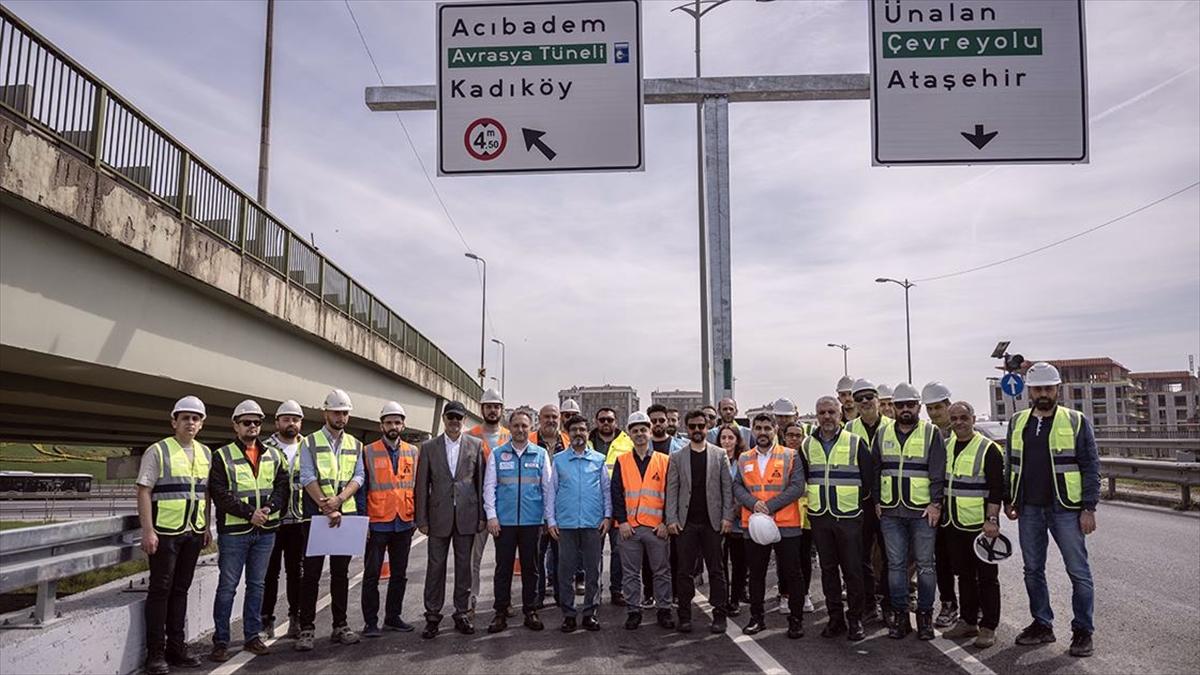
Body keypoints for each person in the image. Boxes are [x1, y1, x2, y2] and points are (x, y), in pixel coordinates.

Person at [1005, 362, 1100, 658]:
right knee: (1032, 570)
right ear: (1029, 391)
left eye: (1048, 388)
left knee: (1078, 572)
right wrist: (1011, 499)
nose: (1043, 393)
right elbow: (1011, 463)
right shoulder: (1018, 421)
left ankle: (1083, 631)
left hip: (1066, 508)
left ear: (1057, 389)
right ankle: (1042, 624)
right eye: (1037, 389)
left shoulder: (1075, 420)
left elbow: (1090, 465)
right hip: (1029, 508)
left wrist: (1088, 507)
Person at [137, 396, 213, 675]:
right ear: (174, 422)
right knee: (160, 590)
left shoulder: (206, 453)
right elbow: (144, 490)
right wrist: (148, 530)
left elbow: (204, 492)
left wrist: (206, 526)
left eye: (196, 418)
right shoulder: (158, 451)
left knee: (181, 590)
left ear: (201, 424)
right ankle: (155, 654)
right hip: (165, 533)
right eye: (185, 418)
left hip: (193, 531)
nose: (191, 423)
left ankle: (176, 648)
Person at [208, 400, 288, 661]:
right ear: (236, 426)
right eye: (246, 422)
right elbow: (219, 493)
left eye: (256, 422)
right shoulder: (222, 456)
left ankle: (252, 636)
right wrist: (248, 513)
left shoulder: (274, 455)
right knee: (227, 587)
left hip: (265, 531)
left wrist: (268, 508)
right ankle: (221, 641)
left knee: (257, 585)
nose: (252, 426)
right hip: (234, 532)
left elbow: (282, 487)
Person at [296, 389, 364, 650]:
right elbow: (307, 476)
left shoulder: (355, 444)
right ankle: (307, 628)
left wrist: (339, 500)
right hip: (316, 517)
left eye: (345, 412)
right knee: (311, 574)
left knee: (340, 574)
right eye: (336, 412)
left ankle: (341, 625)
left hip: (344, 515)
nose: (341, 417)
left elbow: (359, 477)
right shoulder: (310, 443)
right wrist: (327, 505)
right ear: (326, 413)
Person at [804, 396, 873, 642]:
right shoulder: (806, 445)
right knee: (828, 570)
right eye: (822, 412)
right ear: (816, 415)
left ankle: (855, 619)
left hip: (849, 518)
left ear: (840, 414)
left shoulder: (855, 442)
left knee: (853, 571)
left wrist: (858, 509)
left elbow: (868, 480)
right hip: (820, 518)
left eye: (831, 412)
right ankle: (835, 619)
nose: (827, 417)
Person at [416, 401, 486, 639]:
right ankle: (433, 615)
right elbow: (421, 485)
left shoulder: (476, 446)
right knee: (435, 567)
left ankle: (461, 613)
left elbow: (481, 483)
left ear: (464, 420)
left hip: (467, 516)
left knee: (464, 567)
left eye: (459, 418)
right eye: (451, 418)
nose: (455, 422)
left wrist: (482, 517)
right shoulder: (428, 447)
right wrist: (422, 519)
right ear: (444, 419)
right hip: (438, 517)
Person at [733, 414, 806, 639]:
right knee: (756, 573)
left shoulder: (790, 455)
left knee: (792, 574)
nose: (762, 432)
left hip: (786, 524)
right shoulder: (744, 458)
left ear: (776, 430)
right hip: (755, 525)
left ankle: (796, 620)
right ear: (753, 430)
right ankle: (757, 618)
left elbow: (797, 487)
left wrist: (770, 506)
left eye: (767, 428)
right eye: (758, 428)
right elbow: (737, 486)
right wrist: (754, 504)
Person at [941, 401, 1004, 649]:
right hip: (954, 523)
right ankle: (968, 621)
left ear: (973, 419)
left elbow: (996, 488)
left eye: (963, 417)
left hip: (980, 526)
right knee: (964, 576)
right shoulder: (946, 446)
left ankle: (988, 626)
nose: (958, 422)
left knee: (987, 578)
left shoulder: (988, 449)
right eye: (954, 418)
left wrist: (992, 520)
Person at [484, 410, 553, 633]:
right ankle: (500, 612)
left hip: (532, 522)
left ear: (530, 427)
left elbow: (548, 490)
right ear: (509, 427)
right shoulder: (497, 454)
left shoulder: (540, 454)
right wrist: (491, 516)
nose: (520, 430)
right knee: (503, 569)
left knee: (531, 568)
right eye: (516, 426)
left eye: (524, 426)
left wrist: (547, 518)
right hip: (503, 523)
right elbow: (489, 487)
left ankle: (530, 610)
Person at [667, 410, 734, 634]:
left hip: (712, 523)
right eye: (693, 426)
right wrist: (672, 519)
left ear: (707, 428)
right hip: (686, 524)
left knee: (717, 570)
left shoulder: (719, 454)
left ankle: (719, 615)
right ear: (687, 428)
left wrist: (727, 517)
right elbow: (672, 489)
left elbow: (727, 488)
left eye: (701, 426)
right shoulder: (677, 457)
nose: (697, 430)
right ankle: (684, 616)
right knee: (684, 571)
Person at [359, 402, 418, 637]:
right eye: (389, 422)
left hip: (403, 521)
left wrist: (415, 519)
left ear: (403, 424)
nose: (393, 426)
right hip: (377, 522)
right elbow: (362, 489)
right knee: (372, 575)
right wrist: (363, 520)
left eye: (397, 422)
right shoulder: (368, 451)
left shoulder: (413, 452)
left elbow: (417, 487)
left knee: (399, 574)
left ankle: (393, 617)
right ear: (381, 425)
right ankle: (370, 623)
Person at [547, 416, 611, 632]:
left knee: (593, 570)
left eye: (582, 429)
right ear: (568, 433)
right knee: (565, 572)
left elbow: (605, 490)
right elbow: (551, 492)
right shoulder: (559, 460)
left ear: (587, 432)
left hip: (593, 523)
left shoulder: (598, 459)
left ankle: (590, 612)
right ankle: (569, 614)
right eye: (574, 430)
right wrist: (551, 520)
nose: (578, 434)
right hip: (566, 525)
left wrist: (607, 516)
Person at [611, 412, 674, 630]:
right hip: (630, 528)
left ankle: (664, 609)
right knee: (631, 573)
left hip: (657, 528)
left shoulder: (664, 461)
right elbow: (617, 493)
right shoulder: (622, 461)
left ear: (649, 432)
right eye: (635, 430)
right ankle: (633, 610)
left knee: (661, 571)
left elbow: (671, 493)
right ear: (629, 434)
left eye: (643, 430)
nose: (639, 434)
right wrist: (622, 521)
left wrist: (666, 521)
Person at [845, 379, 894, 623]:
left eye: (869, 397)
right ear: (854, 403)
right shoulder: (849, 429)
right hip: (860, 503)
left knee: (889, 556)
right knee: (860, 555)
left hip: (888, 501)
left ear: (877, 399)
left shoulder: (893, 427)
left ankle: (889, 603)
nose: (865, 402)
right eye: (859, 398)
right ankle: (868, 604)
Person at [261, 400, 306, 641]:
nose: (291, 423)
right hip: (273, 521)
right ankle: (266, 619)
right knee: (270, 573)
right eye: (287, 419)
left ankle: (295, 619)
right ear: (277, 421)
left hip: (299, 520)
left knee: (296, 572)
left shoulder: (308, 447)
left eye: (295, 419)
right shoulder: (265, 447)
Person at [466, 388, 510, 619]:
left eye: (496, 406)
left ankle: (505, 602)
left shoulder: (510, 436)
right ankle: (471, 601)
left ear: (502, 410)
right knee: (474, 558)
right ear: (481, 409)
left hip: (505, 506)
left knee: (505, 560)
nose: (493, 410)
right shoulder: (470, 435)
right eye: (489, 406)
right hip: (478, 509)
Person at [922, 381, 960, 630]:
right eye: (930, 408)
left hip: (964, 506)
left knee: (969, 562)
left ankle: (974, 607)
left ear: (948, 405)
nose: (935, 413)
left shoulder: (965, 430)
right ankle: (948, 604)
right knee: (941, 559)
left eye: (938, 407)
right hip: (936, 506)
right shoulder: (925, 434)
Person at [591, 407, 634, 606]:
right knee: (594, 552)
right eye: (602, 420)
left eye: (609, 420)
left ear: (616, 421)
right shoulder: (588, 442)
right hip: (594, 505)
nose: (606, 423)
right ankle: (594, 590)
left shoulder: (627, 442)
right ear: (596, 421)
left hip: (619, 503)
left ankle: (617, 590)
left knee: (618, 551)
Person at [530, 403, 569, 609]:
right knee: (537, 555)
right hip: (536, 509)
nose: (551, 420)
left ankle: (561, 595)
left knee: (561, 556)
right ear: (539, 418)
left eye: (554, 417)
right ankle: (538, 595)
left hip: (562, 510)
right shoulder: (529, 441)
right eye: (547, 417)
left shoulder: (568, 441)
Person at [780, 421, 815, 615]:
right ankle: (785, 594)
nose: (794, 438)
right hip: (784, 513)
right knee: (785, 556)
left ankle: (804, 594)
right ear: (783, 436)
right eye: (790, 435)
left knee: (804, 556)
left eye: (798, 435)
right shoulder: (777, 456)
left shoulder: (808, 457)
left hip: (806, 514)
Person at [717, 424, 750, 616]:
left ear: (737, 440)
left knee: (739, 563)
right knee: (720, 563)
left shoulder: (744, 461)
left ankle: (735, 599)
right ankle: (722, 598)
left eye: (731, 438)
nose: (727, 442)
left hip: (739, 519)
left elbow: (749, 485)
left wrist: (739, 506)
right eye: (723, 438)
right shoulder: (714, 460)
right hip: (720, 519)